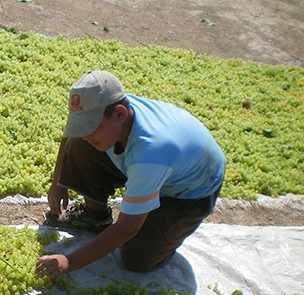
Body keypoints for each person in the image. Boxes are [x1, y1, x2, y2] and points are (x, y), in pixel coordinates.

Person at [35, 70, 226, 281]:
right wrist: (58, 183)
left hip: (189, 192)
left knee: (137, 260)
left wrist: (69, 262)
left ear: (119, 114)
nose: (86, 132)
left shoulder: (151, 153)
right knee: (83, 143)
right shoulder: (111, 110)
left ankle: (165, 224)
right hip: (154, 168)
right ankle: (95, 216)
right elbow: (72, 134)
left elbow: (127, 229)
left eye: (91, 126)